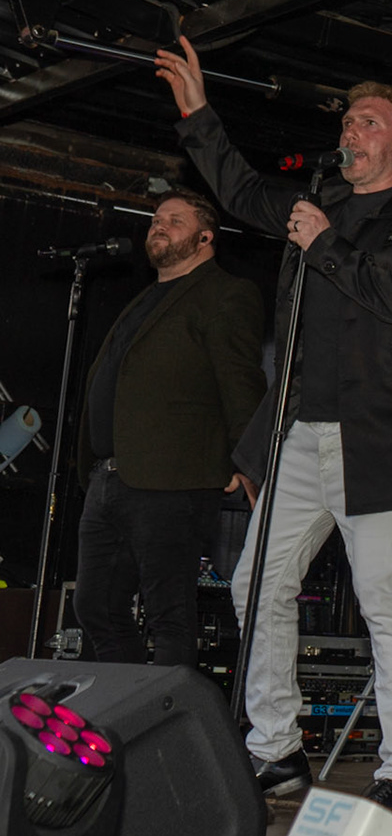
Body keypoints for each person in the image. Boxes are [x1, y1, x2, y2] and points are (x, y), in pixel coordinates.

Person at [155, 36, 392, 832]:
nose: (352, 130)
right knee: (254, 583)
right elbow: (239, 188)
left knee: (386, 601)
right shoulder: (314, 200)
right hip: (300, 435)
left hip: (379, 443)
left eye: (370, 121)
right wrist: (198, 113)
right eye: (348, 121)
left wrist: (325, 242)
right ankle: (276, 747)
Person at [73, 189, 265, 667]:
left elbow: (241, 381)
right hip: (109, 475)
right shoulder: (147, 297)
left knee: (168, 614)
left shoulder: (225, 293)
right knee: (95, 606)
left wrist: (248, 461)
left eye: (175, 220)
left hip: (174, 478)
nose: (159, 226)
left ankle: (171, 713)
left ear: (205, 238)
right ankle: (127, 708)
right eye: (156, 219)